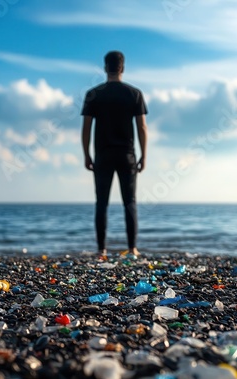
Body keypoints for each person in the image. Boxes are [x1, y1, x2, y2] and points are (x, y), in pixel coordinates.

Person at [81, 50, 148, 257]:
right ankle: (132, 248)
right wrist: (144, 155)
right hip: (127, 154)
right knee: (130, 202)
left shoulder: (93, 94)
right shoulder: (134, 94)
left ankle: (101, 250)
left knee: (101, 203)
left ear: (104, 68)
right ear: (123, 68)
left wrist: (87, 154)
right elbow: (142, 128)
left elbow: (86, 128)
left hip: (103, 155)